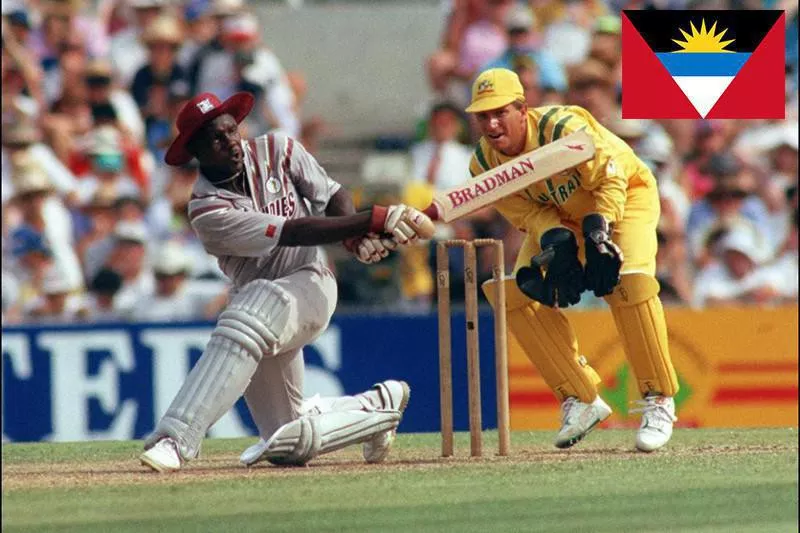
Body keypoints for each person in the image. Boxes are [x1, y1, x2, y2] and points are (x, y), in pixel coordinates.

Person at [140, 91, 433, 471]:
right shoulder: (206, 209)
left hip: (310, 283)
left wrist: (354, 239)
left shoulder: (278, 148)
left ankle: (175, 439)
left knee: (252, 306)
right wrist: (373, 219)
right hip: (257, 314)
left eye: (232, 131)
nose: (231, 142)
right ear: (196, 151)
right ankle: (376, 407)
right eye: (216, 139)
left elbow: (331, 194)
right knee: (288, 440)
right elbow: (293, 230)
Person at [463, 68, 680, 452]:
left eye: (500, 112)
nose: (492, 123)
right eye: (483, 115)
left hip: (624, 198)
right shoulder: (483, 165)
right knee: (512, 293)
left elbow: (612, 179)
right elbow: (526, 214)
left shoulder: (563, 127)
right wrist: (557, 238)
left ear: (522, 109)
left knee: (628, 280)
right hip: (563, 217)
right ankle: (581, 397)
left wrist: (600, 230)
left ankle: (659, 399)